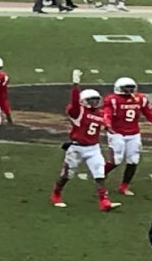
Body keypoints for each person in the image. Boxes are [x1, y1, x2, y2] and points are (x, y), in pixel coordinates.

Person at [50, 70, 120, 212]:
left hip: (93, 148)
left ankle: (104, 201)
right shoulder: (78, 112)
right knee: (67, 175)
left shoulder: (99, 113)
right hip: (77, 148)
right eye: (91, 100)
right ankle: (56, 194)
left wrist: (108, 127)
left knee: (100, 174)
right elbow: (74, 103)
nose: (94, 102)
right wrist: (76, 85)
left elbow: (103, 121)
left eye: (96, 99)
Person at [102, 78, 152, 195]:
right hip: (117, 133)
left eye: (131, 87)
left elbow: (149, 113)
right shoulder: (113, 100)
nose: (129, 90)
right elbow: (107, 114)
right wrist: (107, 125)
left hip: (133, 133)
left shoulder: (140, 99)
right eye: (126, 88)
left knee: (133, 160)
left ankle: (124, 186)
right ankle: (100, 176)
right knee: (116, 160)